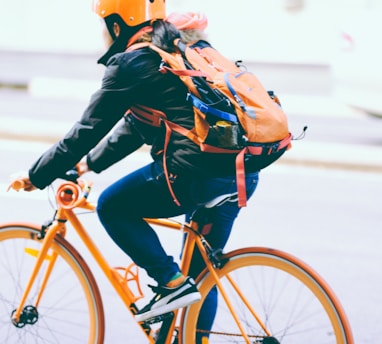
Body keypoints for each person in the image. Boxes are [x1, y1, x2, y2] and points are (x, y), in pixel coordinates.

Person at [12, 1, 259, 341]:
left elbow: (87, 129)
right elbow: (135, 127)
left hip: (193, 176)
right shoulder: (177, 49)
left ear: (117, 25)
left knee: (113, 205)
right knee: (201, 276)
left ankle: (169, 282)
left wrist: (36, 175)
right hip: (240, 173)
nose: (102, 34)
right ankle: (189, 328)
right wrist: (87, 165)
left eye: (103, 24)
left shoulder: (131, 62)